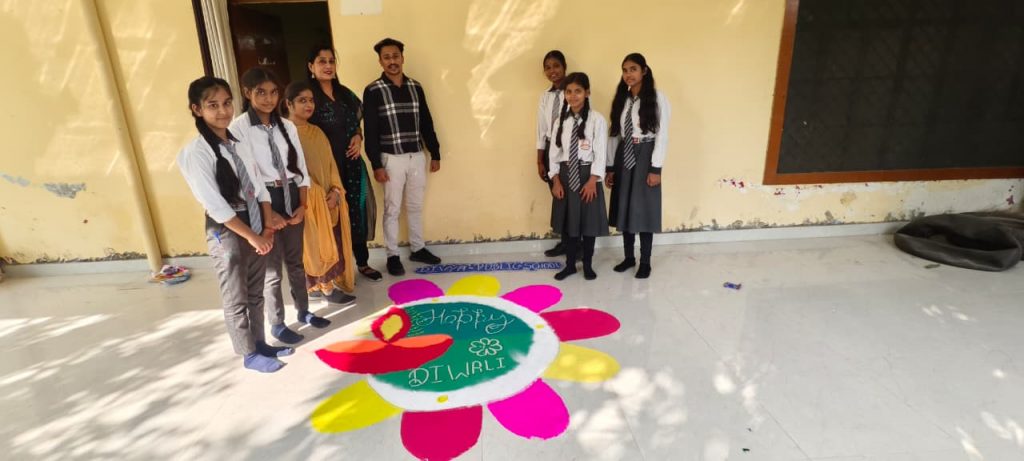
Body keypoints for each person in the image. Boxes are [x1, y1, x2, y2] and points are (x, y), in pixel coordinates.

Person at [177, 76, 291, 373]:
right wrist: (253, 236)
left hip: (255, 221)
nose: (223, 111)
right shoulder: (197, 152)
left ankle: (260, 343)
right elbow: (215, 205)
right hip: (227, 229)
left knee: (255, 291)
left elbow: (260, 187)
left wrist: (266, 227)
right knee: (236, 296)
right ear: (197, 109)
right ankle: (248, 354)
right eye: (213, 105)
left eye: (226, 103)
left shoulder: (237, 144)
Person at [230, 67, 328, 347]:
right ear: (247, 93)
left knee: (296, 262)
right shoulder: (239, 128)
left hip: (292, 195)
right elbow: (245, 175)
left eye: (274, 92)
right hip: (264, 200)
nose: (268, 99)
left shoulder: (287, 126)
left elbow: (300, 169)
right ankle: (277, 323)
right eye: (261, 92)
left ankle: (304, 311)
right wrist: (268, 213)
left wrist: (303, 204)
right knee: (272, 270)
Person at [363, 37, 443, 276]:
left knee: (416, 205)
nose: (392, 61)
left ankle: (418, 248)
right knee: (392, 208)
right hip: (391, 158)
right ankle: (392, 255)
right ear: (380, 61)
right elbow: (371, 131)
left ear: (402, 58)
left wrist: (435, 152)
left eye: (395, 56)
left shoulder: (415, 87)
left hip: (416, 156)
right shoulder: (373, 90)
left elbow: (426, 121)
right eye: (386, 57)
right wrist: (376, 164)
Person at [306, 44, 383, 282]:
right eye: (322, 61)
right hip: (326, 167)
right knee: (332, 214)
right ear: (311, 66)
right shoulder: (308, 98)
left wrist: (358, 137)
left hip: (352, 164)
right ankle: (336, 269)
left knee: (356, 212)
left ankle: (362, 263)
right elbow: (300, 128)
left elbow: (356, 124)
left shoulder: (346, 95)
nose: (328, 66)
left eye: (331, 61)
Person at [284, 80, 359, 305]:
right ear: (289, 104)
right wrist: (314, 193)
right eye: (302, 100)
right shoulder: (284, 133)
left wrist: (335, 190)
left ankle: (327, 283)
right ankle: (318, 287)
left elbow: (330, 165)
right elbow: (290, 170)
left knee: (330, 240)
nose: (309, 105)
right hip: (304, 201)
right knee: (310, 244)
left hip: (328, 198)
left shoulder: (317, 132)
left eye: (311, 100)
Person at [607, 53, 671, 279]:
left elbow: (662, 134)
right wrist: (610, 166)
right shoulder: (622, 99)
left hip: (645, 154)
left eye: (633, 69)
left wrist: (656, 168)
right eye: (625, 70)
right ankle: (628, 258)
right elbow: (614, 134)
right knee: (625, 206)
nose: (628, 74)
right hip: (624, 154)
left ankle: (645, 261)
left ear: (644, 70)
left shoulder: (657, 98)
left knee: (644, 209)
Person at [548, 72, 609, 281]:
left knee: (588, 224)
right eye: (568, 92)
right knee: (569, 223)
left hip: (587, 176)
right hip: (566, 176)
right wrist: (555, 180)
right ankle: (570, 265)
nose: (573, 96)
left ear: (587, 93)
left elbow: (601, 152)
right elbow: (554, 153)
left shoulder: (597, 120)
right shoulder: (560, 121)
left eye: (578, 91)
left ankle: (588, 265)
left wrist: (593, 180)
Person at [535, 50, 572, 258]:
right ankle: (565, 242)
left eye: (556, 65)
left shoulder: (574, 91)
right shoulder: (545, 97)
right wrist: (539, 159)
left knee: (573, 197)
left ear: (564, 67)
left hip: (570, 150)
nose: (552, 71)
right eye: (547, 67)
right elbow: (541, 129)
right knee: (559, 196)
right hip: (551, 150)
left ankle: (577, 244)